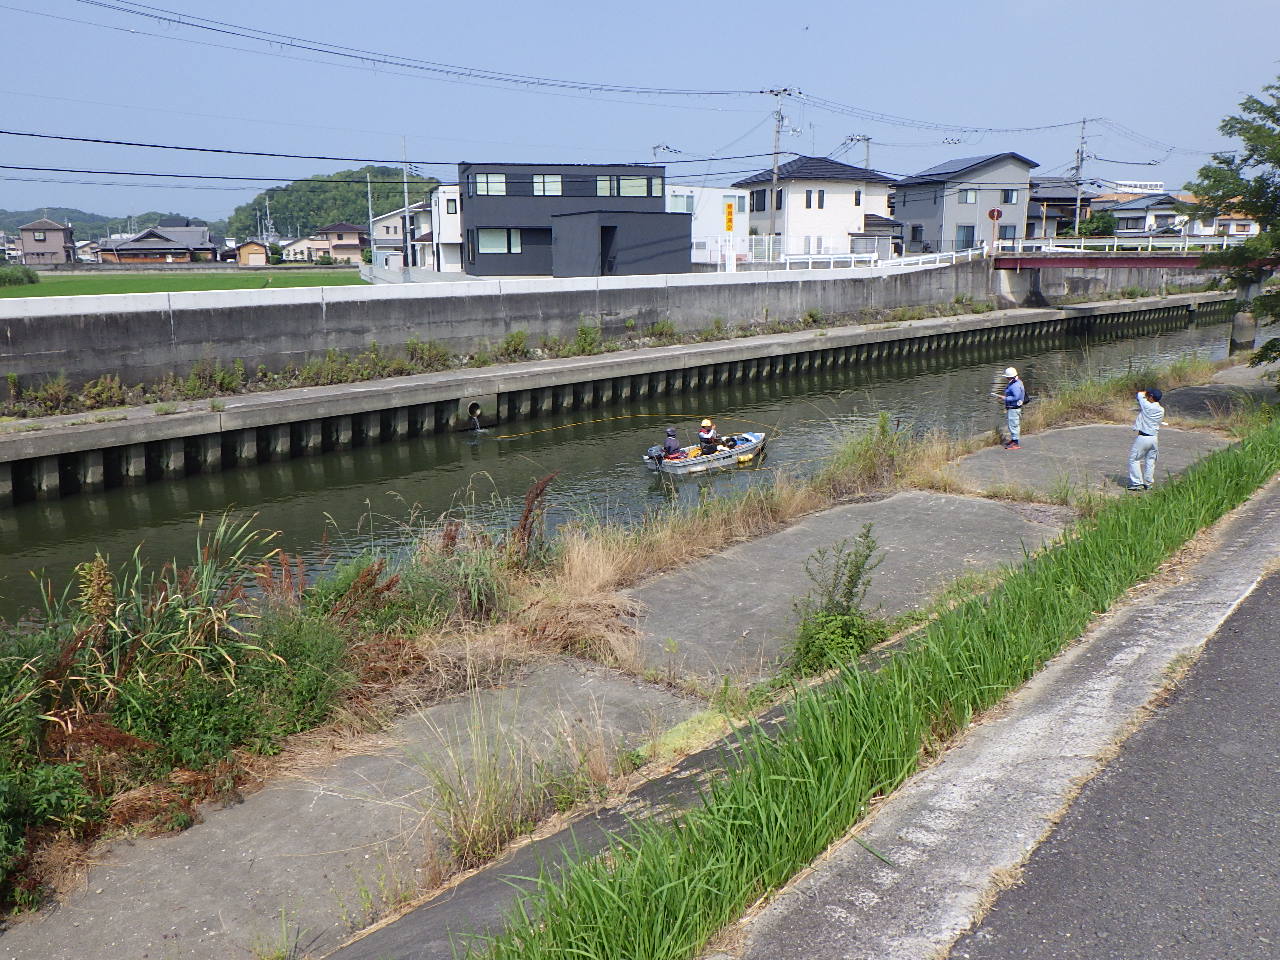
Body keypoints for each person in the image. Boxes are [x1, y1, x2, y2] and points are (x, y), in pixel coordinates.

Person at [1128, 388, 1164, 491]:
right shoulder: (1161, 409)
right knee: (1150, 460)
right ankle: (1148, 483)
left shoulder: (1147, 406)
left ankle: (1137, 483)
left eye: (1148, 395)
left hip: (1143, 437)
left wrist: (1145, 392)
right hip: (1154, 438)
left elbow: (1139, 394)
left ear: (1151, 397)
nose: (1147, 397)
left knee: (1134, 459)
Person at [1002, 367, 1026, 449]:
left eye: (1006, 377)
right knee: (1013, 424)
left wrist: (1005, 398)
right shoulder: (1018, 382)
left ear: (1009, 377)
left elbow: (1016, 397)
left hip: (1014, 408)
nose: (1005, 378)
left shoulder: (1014, 385)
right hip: (1014, 407)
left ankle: (1015, 443)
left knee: (1013, 425)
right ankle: (1014, 440)